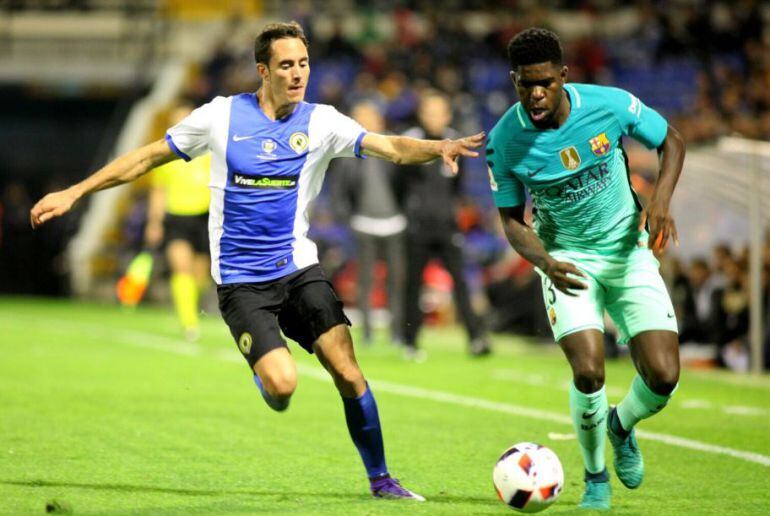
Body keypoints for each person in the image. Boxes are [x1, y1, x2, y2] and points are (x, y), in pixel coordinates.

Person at [30, 21, 484, 502]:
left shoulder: (322, 121)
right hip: (242, 284)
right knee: (283, 388)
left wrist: (438, 148)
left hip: (298, 268)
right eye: (286, 65)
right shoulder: (220, 118)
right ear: (262, 70)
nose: (297, 74)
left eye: (303, 64)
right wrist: (76, 191)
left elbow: (389, 145)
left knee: (347, 371)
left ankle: (381, 479)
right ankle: (264, 371)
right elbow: (146, 158)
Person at [485, 28, 685, 510]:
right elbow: (512, 223)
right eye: (525, 84)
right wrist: (546, 263)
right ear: (514, 81)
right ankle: (596, 478)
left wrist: (659, 201)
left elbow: (672, 142)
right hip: (567, 262)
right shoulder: (505, 142)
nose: (535, 94)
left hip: (627, 251)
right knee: (590, 372)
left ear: (563, 76)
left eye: (545, 83)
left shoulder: (610, 105)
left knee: (662, 376)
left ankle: (620, 426)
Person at [399, 90, 491, 360]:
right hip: (418, 227)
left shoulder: (455, 141)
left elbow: (458, 186)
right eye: (429, 112)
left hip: (447, 226)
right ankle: (409, 341)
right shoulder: (411, 139)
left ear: (447, 115)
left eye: (439, 112)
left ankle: (476, 339)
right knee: (412, 285)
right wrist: (412, 211)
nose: (434, 118)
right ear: (421, 114)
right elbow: (398, 183)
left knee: (461, 282)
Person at [331, 101, 406, 346]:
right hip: (363, 224)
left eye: (369, 117)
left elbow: (407, 184)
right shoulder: (348, 152)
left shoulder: (394, 147)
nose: (364, 123)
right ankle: (367, 333)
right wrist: (347, 219)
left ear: (380, 120)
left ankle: (397, 332)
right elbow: (339, 191)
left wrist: (407, 213)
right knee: (365, 281)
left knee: (396, 279)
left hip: (395, 223)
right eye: (359, 118)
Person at [143, 102, 212, 341]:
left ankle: (191, 309)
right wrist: (154, 222)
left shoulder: (209, 151)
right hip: (176, 218)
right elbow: (158, 192)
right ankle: (189, 322)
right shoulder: (166, 156)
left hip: (204, 216)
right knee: (181, 266)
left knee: (200, 274)